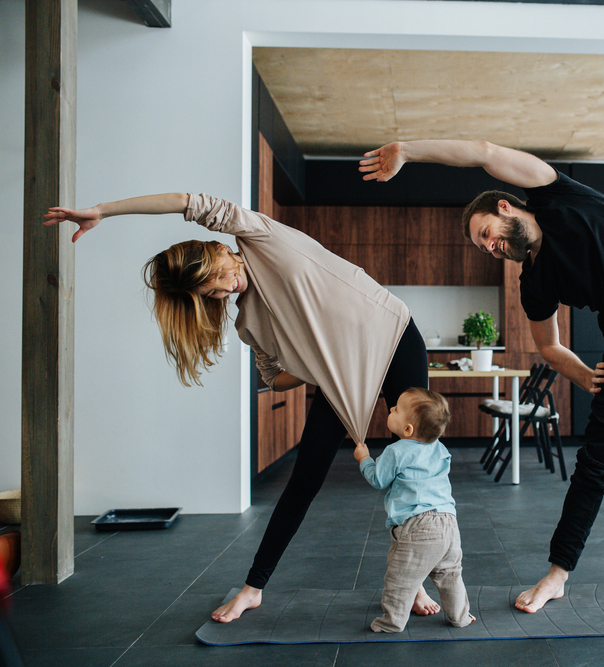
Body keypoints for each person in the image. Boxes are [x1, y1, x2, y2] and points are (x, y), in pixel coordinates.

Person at [359, 141, 604, 613]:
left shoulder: (559, 195)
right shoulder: (534, 282)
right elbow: (548, 346)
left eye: (487, 232)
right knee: (594, 471)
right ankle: (557, 576)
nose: (491, 247)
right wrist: (587, 376)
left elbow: (485, 151)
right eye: (484, 246)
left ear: (506, 206)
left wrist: (408, 149)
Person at [43, 193, 443, 622]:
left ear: (219, 248)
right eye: (209, 291)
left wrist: (105, 211)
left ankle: (414, 579)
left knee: (414, 469)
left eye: (217, 275)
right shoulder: (248, 322)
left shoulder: (260, 236)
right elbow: (274, 379)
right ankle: (253, 588)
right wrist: (315, 364)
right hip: (341, 379)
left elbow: (185, 201)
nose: (223, 287)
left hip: (395, 337)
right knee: (304, 480)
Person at [353, 387, 475, 633]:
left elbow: (378, 480)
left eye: (396, 409)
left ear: (407, 429)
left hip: (418, 526)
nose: (391, 409)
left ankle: (392, 622)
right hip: (449, 523)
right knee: (450, 576)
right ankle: (460, 616)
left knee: (400, 578)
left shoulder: (396, 451)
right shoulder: (440, 449)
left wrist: (364, 459)